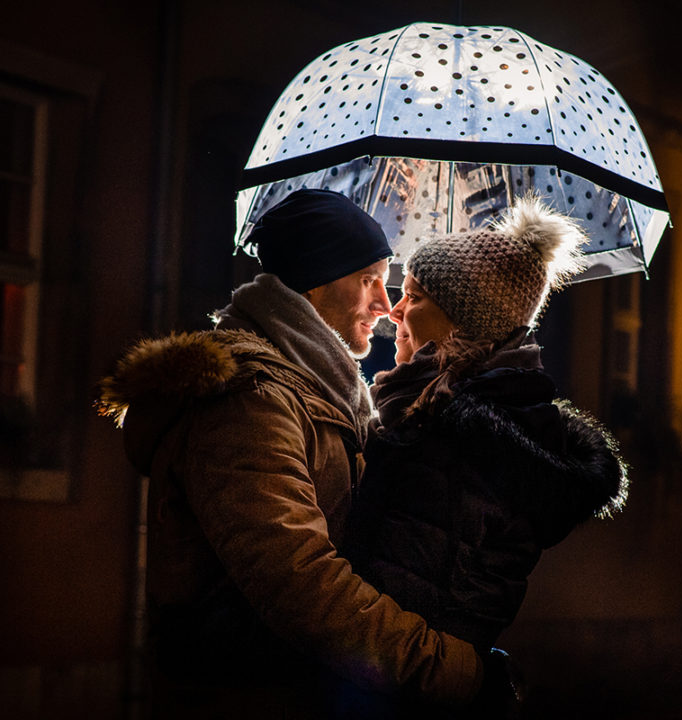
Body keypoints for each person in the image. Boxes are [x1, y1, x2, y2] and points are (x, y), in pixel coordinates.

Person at [96, 189, 492, 718]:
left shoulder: (323, 391)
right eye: (369, 278)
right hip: (244, 698)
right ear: (316, 282)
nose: (384, 302)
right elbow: (302, 584)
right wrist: (448, 669)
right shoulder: (247, 401)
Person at [338, 195, 630, 717]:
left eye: (418, 296)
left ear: (463, 325)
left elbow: (410, 589)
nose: (396, 310)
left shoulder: (459, 435)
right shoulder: (436, 412)